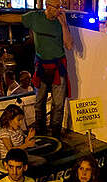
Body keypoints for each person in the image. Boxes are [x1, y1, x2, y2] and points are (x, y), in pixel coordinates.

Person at [21, 0, 73, 137]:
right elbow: (17, 18)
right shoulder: (35, 17)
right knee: (40, 101)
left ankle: (55, 133)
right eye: (56, 7)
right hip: (41, 64)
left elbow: (68, 45)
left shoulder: (60, 21)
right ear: (47, 6)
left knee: (59, 104)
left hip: (58, 65)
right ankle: (40, 132)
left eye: (60, 6)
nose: (59, 10)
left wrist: (63, 24)